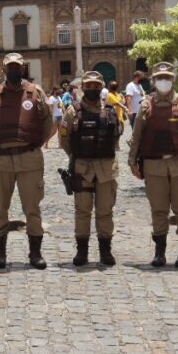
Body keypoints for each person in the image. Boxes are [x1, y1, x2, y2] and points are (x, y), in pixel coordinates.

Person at [0, 53, 53, 270]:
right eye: (9, 67)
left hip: (29, 158)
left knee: (32, 208)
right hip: (2, 159)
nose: (13, 70)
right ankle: (0, 253)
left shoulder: (36, 92)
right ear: (4, 69)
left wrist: (35, 143)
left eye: (17, 67)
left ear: (23, 69)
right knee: (0, 207)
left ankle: (35, 253)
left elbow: (47, 122)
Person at [129, 62, 178, 269]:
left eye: (167, 78)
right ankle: (159, 253)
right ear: (153, 81)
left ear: (173, 80)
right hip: (154, 166)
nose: (163, 81)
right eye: (160, 78)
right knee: (158, 210)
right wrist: (132, 161)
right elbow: (137, 136)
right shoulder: (146, 105)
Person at [59, 71, 124, 266]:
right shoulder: (73, 111)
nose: (92, 89)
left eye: (96, 86)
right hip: (82, 168)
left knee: (105, 211)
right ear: (82, 87)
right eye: (89, 86)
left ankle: (105, 251)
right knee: (82, 210)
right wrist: (76, 156)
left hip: (106, 169)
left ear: (101, 87)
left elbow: (116, 136)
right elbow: (64, 138)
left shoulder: (111, 111)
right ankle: (82, 252)